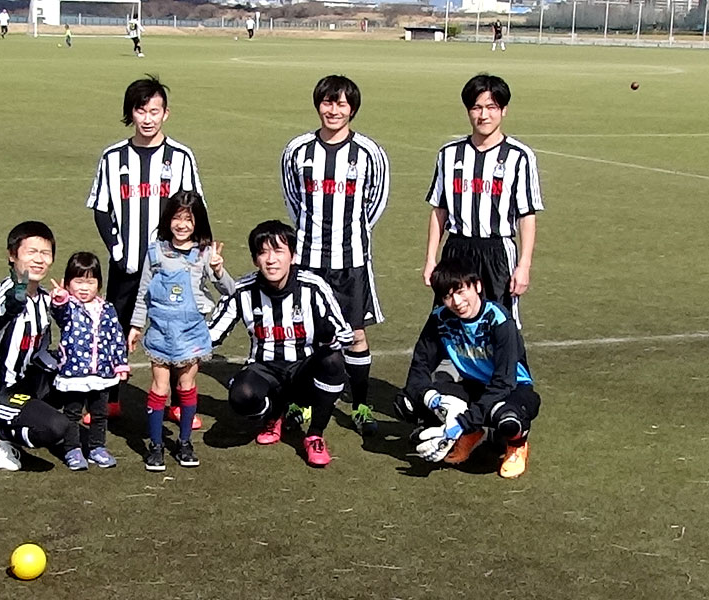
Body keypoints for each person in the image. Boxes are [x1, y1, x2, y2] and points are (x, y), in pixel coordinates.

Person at [86, 75, 204, 420]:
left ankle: (178, 403)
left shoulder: (181, 157)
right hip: (128, 264)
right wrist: (117, 249)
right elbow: (101, 208)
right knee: (116, 330)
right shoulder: (113, 157)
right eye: (141, 111)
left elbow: (194, 208)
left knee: (175, 331)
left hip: (173, 266)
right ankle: (109, 399)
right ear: (131, 113)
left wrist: (194, 254)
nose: (148, 118)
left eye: (155, 111)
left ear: (166, 113)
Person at [280, 74, 390, 437]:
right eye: (328, 102)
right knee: (307, 332)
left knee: (356, 333)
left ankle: (360, 405)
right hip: (308, 260)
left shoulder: (369, 153)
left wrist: (350, 233)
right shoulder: (297, 151)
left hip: (351, 260)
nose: (334, 110)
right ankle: (303, 402)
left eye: (341, 103)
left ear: (352, 109)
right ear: (318, 105)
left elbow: (375, 203)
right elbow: (294, 200)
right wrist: (312, 234)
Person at [209, 221, 354, 468]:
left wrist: (328, 336)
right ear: (255, 260)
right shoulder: (243, 290)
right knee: (242, 397)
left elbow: (345, 334)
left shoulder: (313, 287)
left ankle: (315, 435)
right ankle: (273, 415)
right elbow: (211, 335)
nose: (271, 260)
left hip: (303, 370)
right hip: (264, 368)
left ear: (293, 256)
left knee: (333, 360)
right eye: (263, 252)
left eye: (278, 251)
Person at [394, 257, 541, 479]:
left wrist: (461, 423)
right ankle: (471, 434)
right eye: (447, 296)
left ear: (477, 286)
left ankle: (516, 445)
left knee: (508, 422)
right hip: (473, 386)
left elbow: (504, 382)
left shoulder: (500, 321)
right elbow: (419, 369)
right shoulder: (439, 319)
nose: (457, 302)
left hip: (512, 389)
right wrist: (433, 399)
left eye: (461, 291)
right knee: (406, 403)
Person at [423, 74, 542, 329]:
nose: (483, 115)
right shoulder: (449, 154)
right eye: (477, 107)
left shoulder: (519, 156)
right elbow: (439, 210)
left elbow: (527, 215)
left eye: (491, 107)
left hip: (497, 251)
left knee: (500, 323)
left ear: (503, 110)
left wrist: (524, 265)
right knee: (448, 322)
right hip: (457, 249)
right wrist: (431, 259)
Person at [127, 192, 234, 471]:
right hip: (160, 332)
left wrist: (219, 270)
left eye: (189, 219)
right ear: (168, 219)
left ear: (198, 222)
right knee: (159, 387)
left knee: (186, 385)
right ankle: (156, 446)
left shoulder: (205, 253)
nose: (182, 224)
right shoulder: (155, 251)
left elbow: (229, 290)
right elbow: (143, 293)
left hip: (191, 332)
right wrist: (136, 326)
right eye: (177, 217)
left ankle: (185, 442)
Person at [0, 221, 70, 471]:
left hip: (23, 384)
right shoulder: (1, 293)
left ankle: (25, 419)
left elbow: (41, 352)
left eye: (45, 253)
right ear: (12, 256)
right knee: (55, 428)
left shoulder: (44, 298)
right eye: (31, 252)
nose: (39, 260)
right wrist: (10, 308)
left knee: (78, 378)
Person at [49, 252, 130, 471]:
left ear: (99, 284)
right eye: (78, 282)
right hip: (74, 373)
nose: (84, 288)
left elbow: (117, 337)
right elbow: (59, 312)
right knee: (72, 413)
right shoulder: (69, 307)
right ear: (68, 283)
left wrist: (120, 363)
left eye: (90, 282)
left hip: (102, 373)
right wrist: (59, 299)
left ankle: (97, 447)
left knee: (100, 413)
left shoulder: (107, 309)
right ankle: (72, 449)